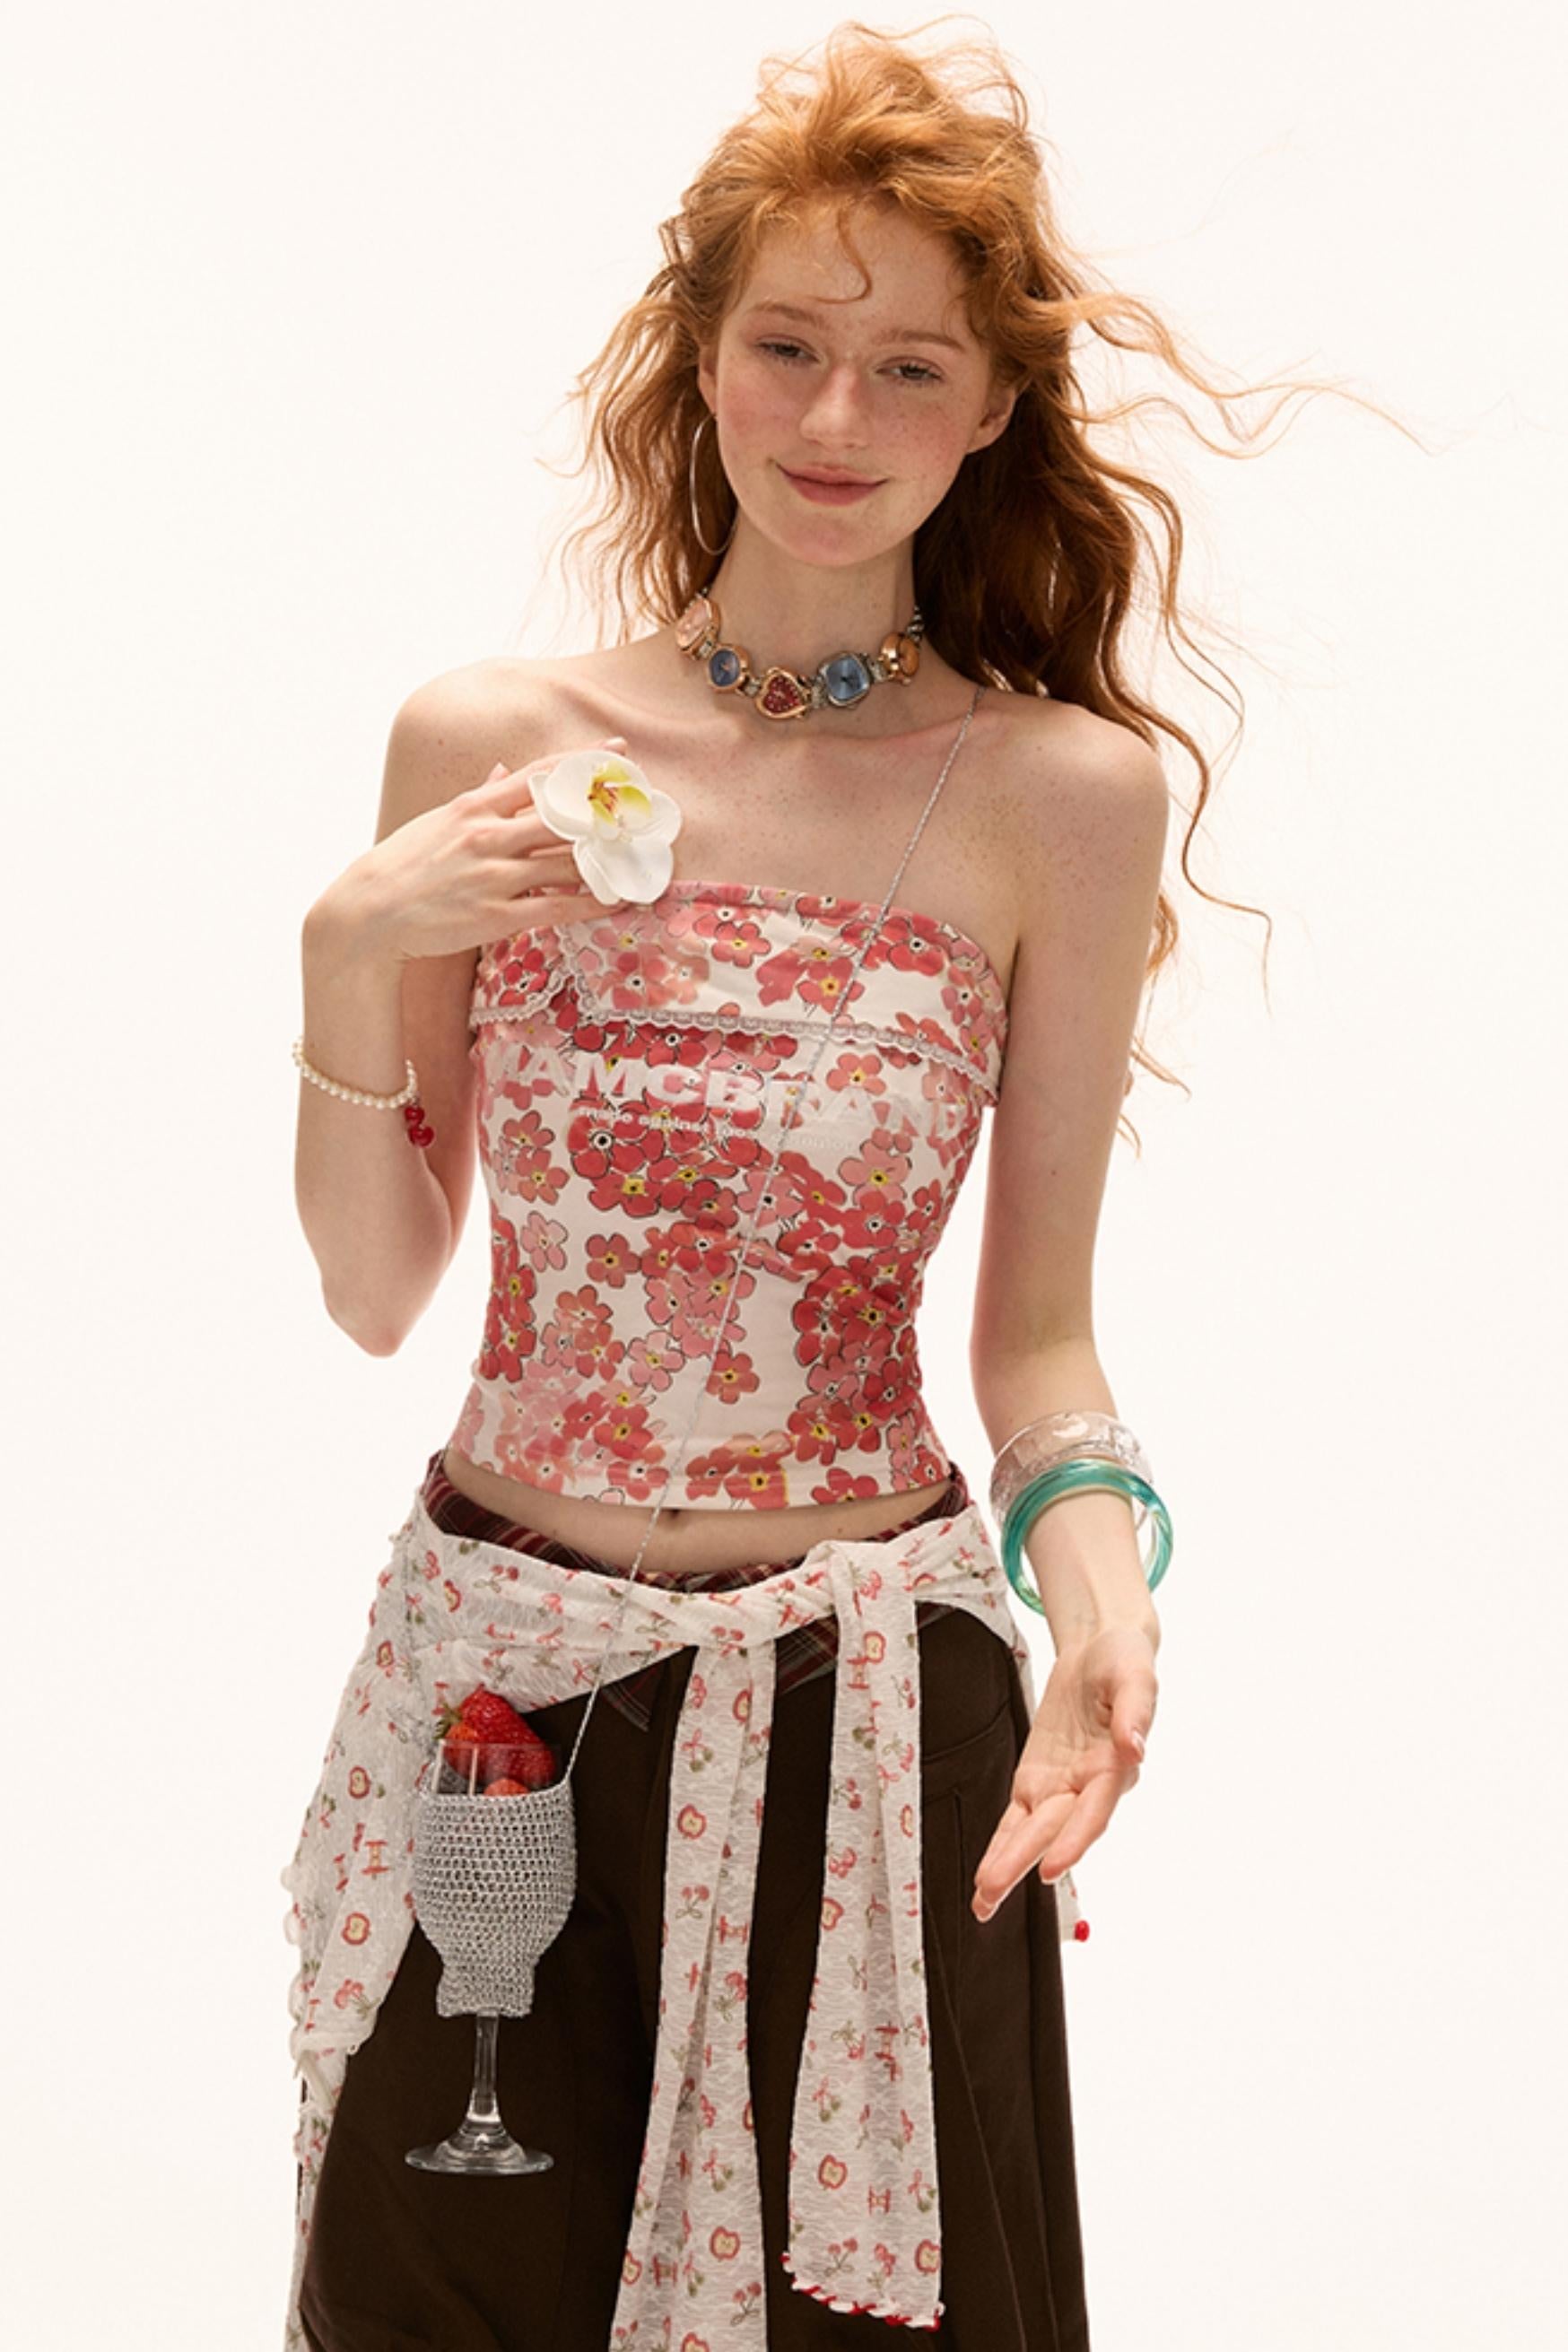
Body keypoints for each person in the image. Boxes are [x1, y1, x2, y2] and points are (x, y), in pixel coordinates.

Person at [282, 25, 1201, 2352]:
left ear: (990, 409)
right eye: (787, 345)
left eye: (909, 367)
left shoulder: (1064, 801)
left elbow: (1035, 1336)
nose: (834, 417)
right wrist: (349, 952)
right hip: (503, 1691)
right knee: (438, 2299)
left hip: (865, 1705)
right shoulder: (487, 749)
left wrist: (1102, 1597)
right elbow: (378, 1289)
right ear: (697, 357)